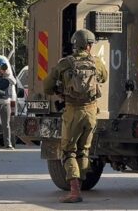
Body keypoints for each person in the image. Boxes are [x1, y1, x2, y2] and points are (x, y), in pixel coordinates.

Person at [43, 29, 107, 203]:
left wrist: (60, 91)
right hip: (92, 112)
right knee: (84, 151)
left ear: (75, 44)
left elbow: (47, 87)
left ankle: (74, 191)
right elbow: (104, 77)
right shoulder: (97, 63)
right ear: (88, 46)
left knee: (68, 151)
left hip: (73, 112)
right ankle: (82, 182)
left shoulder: (65, 63)